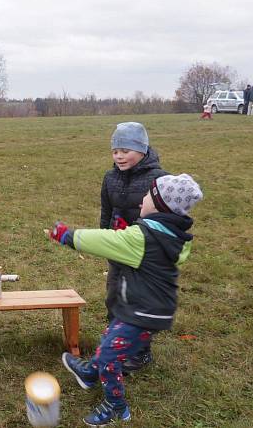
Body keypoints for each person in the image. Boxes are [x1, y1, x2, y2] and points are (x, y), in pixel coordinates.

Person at [50, 173, 203, 427]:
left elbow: (106, 241)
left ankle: (116, 407)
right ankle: (89, 374)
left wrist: (68, 235)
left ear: (159, 205)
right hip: (146, 307)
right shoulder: (170, 235)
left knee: (111, 357)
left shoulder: (143, 237)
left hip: (143, 311)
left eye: (147, 195)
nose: (142, 199)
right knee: (110, 339)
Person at [99, 122, 167, 374]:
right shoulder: (110, 178)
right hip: (118, 248)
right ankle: (115, 344)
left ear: (142, 150)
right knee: (114, 296)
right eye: (115, 150)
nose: (119, 155)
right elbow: (106, 212)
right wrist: (105, 241)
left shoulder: (159, 179)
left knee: (138, 300)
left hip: (144, 253)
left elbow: (165, 219)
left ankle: (140, 352)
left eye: (125, 150)